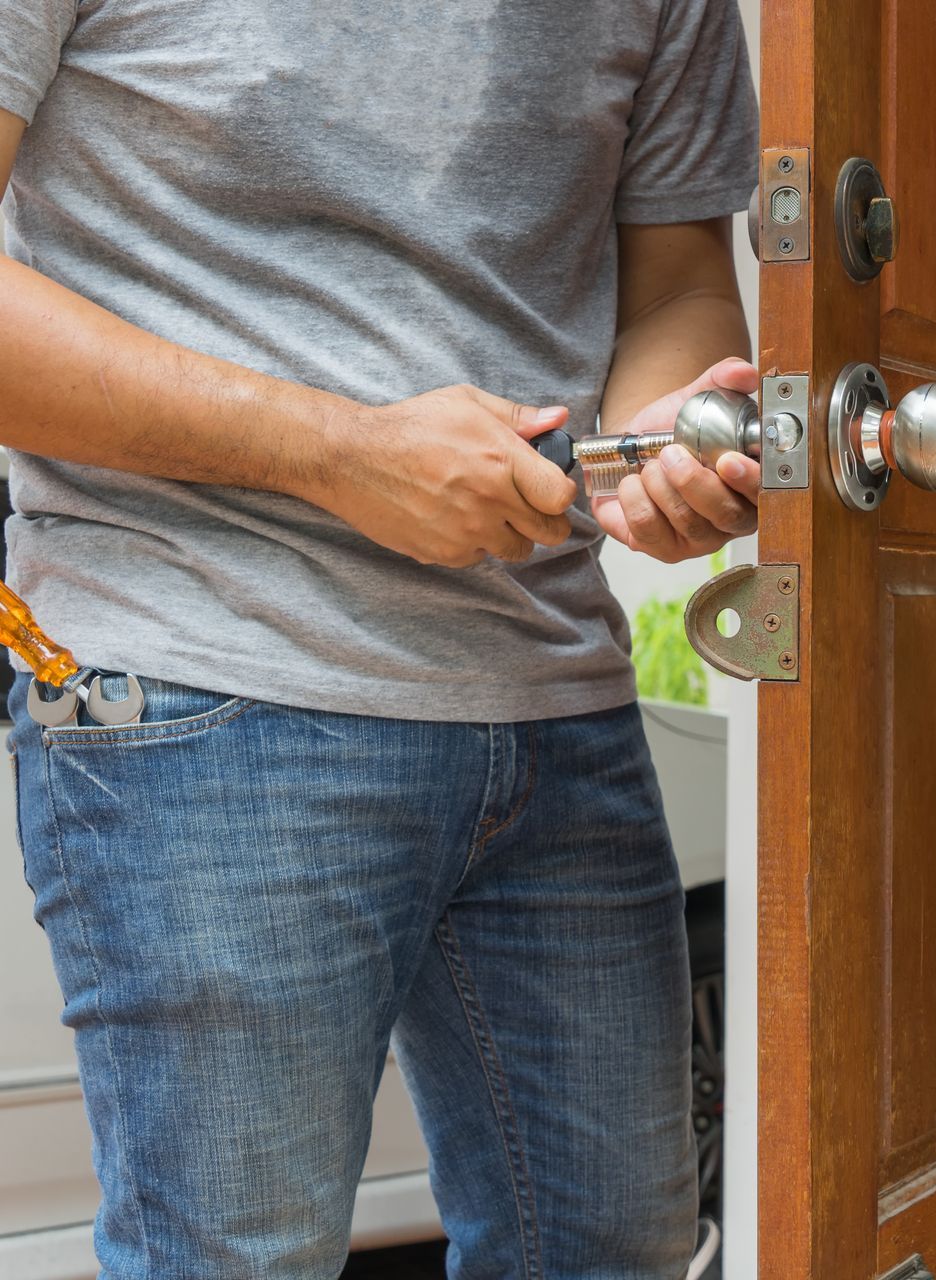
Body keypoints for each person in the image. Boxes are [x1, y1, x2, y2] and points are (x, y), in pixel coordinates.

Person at [0, 1, 759, 1275]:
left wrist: (659, 446)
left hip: (554, 696)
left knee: (620, 1249)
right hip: (203, 678)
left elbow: (680, 283)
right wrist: (336, 453)